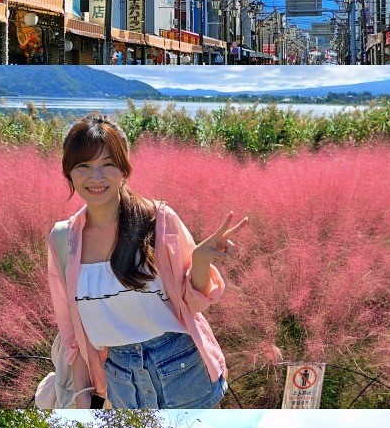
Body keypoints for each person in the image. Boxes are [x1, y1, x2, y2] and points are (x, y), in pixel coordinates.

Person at [42, 115, 244, 411]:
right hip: (120, 377)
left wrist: (200, 261)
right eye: (84, 166)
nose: (96, 177)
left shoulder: (158, 221)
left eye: (108, 165)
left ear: (124, 169)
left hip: (182, 367)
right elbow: (70, 327)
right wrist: (83, 392)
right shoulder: (62, 240)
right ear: (68, 172)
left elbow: (195, 304)